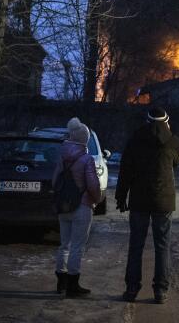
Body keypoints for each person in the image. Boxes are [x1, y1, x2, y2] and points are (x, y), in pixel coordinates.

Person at [115, 107, 179, 304]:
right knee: (162, 246)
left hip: (139, 201)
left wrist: (121, 197)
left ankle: (131, 289)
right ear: (166, 121)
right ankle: (160, 290)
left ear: (146, 121)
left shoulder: (135, 141)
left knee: (136, 246)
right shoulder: (173, 141)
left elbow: (125, 171)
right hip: (164, 201)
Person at [53, 117, 102, 297]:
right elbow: (93, 185)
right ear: (85, 140)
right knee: (77, 247)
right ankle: (73, 285)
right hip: (82, 206)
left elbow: (55, 180)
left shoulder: (61, 155)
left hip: (63, 206)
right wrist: (96, 199)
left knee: (64, 245)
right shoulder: (86, 159)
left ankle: (61, 282)